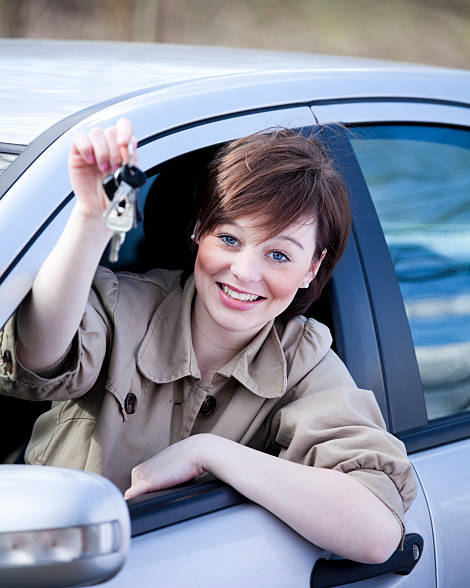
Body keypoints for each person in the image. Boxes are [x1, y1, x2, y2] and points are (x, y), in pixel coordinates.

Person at [0, 118, 416, 564]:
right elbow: (38, 354)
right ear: (199, 229)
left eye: (278, 254)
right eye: (229, 238)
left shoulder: (305, 362)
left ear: (312, 269)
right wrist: (89, 219)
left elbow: (375, 533)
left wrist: (210, 453)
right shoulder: (124, 304)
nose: (244, 272)